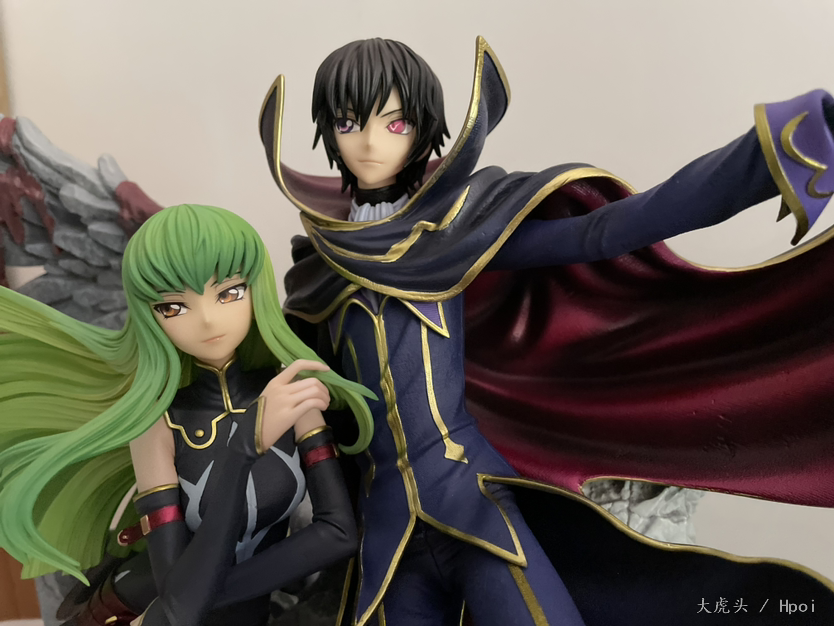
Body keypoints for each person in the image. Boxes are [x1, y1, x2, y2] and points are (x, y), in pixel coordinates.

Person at [257, 36, 834, 626]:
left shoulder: (452, 231)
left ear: (424, 127)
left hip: (473, 502)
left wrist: (766, 157)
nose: (370, 142)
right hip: (387, 537)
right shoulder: (316, 273)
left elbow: (604, 231)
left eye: (396, 122)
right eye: (349, 122)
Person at [0, 204, 375, 626]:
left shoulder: (289, 393)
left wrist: (208, 592)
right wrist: (242, 449)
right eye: (174, 307)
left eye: (229, 293)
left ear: (257, 289)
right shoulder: (157, 420)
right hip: (137, 611)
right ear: (150, 316)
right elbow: (179, 606)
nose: (208, 320)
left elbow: (339, 533)